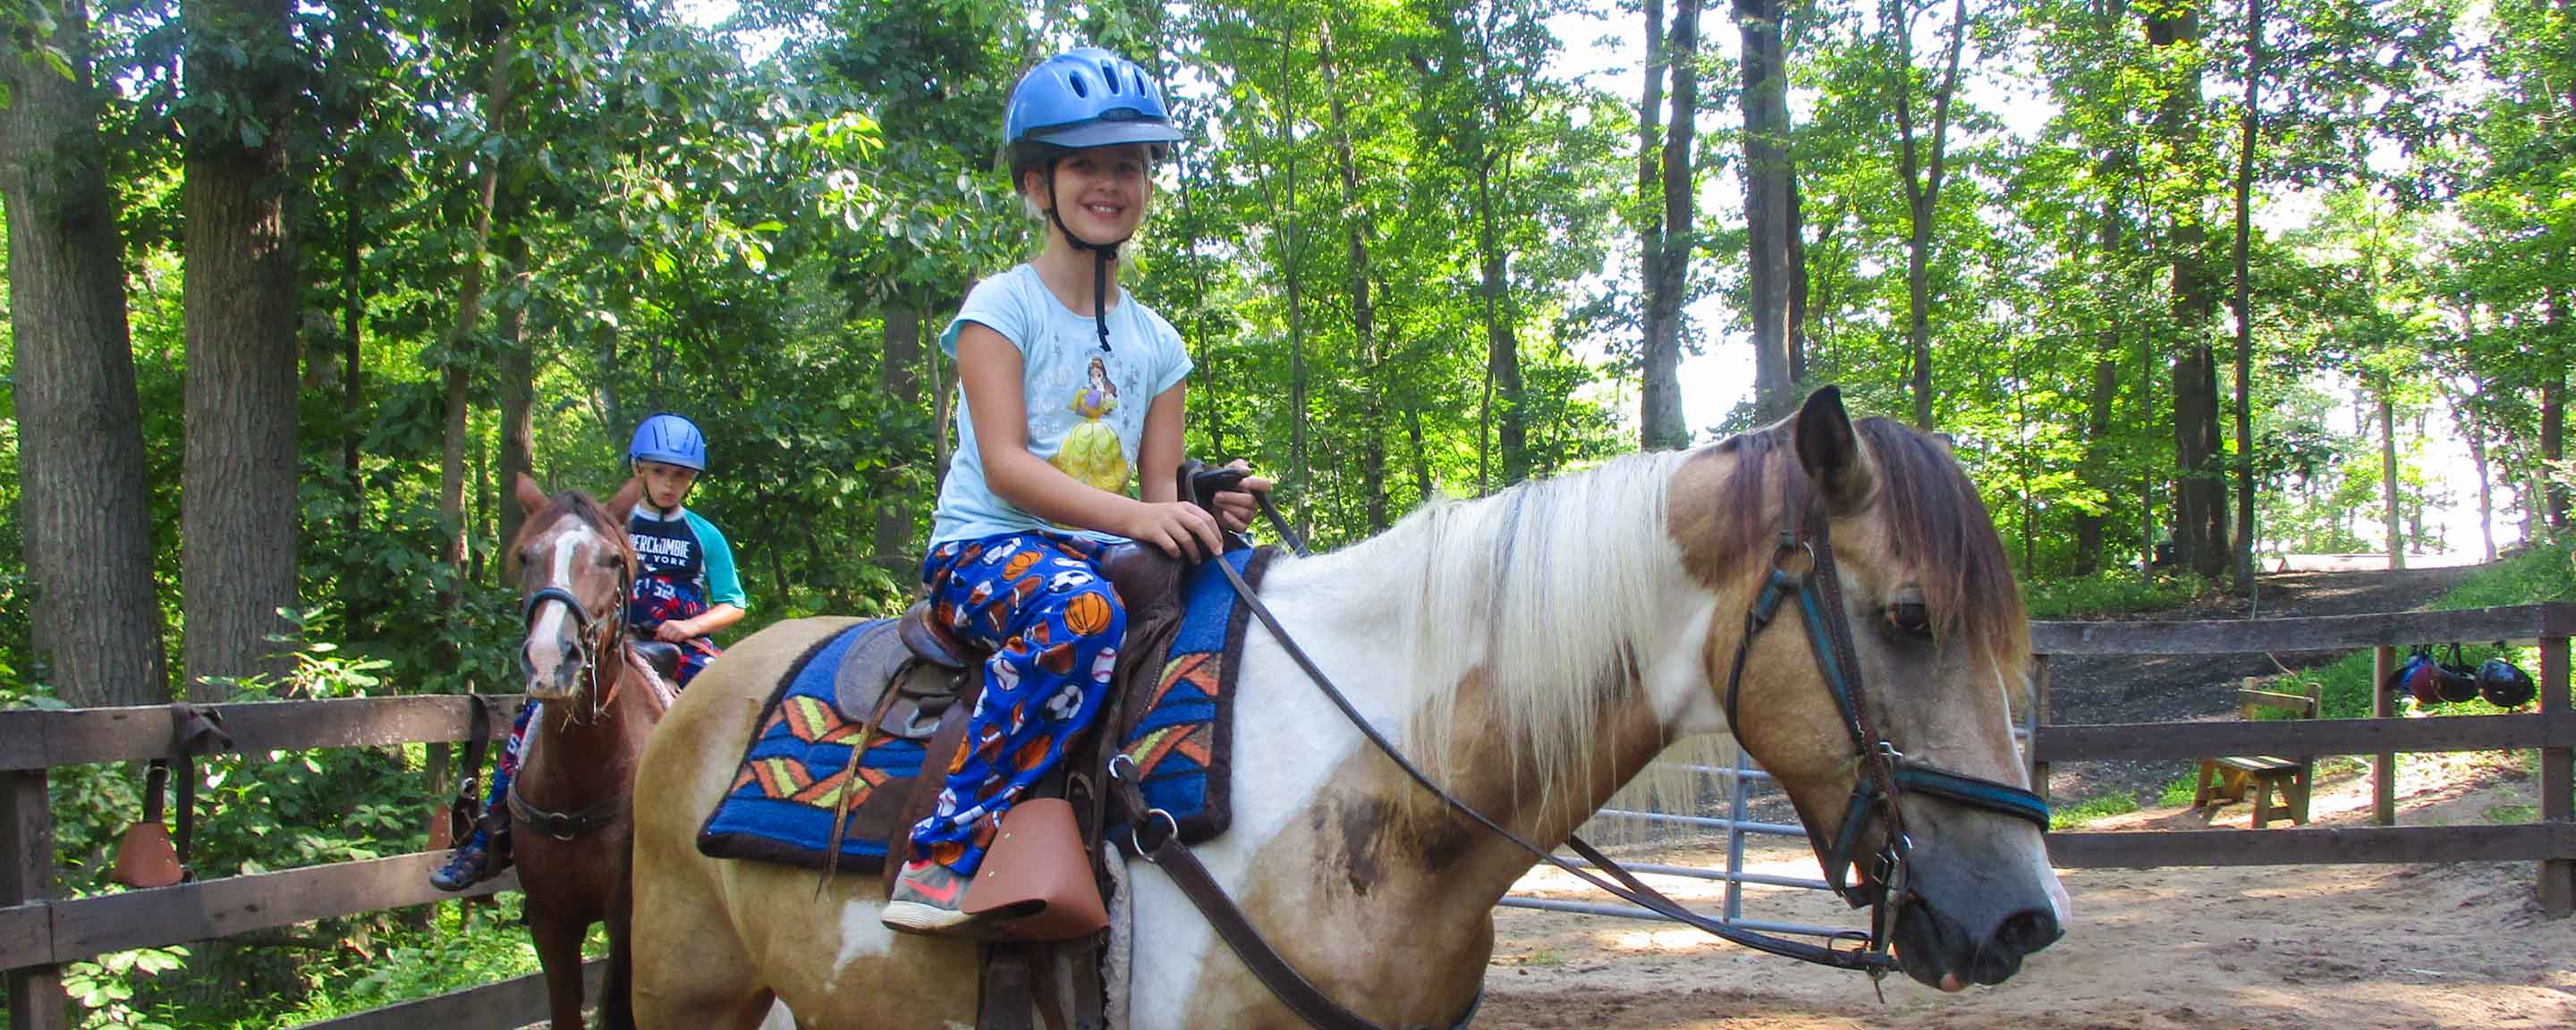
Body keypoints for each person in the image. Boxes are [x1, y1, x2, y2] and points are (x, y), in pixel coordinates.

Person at [878, 46, 1267, 935]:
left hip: (1096, 542)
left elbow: (1159, 484)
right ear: (1035, 184)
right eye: (1085, 164)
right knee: (1081, 614)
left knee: (1243, 590)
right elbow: (1009, 465)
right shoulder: (998, 308)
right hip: (985, 547)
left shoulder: (1159, 343)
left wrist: (1203, 507)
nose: (1110, 183)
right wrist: (1143, 515)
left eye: (1127, 165)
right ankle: (947, 847)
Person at [428, 412, 750, 892]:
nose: (668, 484)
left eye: (680, 475)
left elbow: (733, 603)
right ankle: (489, 835)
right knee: (532, 719)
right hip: (611, 642)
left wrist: (689, 626)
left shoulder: (705, 536)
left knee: (732, 710)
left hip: (680, 648)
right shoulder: (609, 525)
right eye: (658, 472)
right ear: (638, 469)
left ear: (692, 481)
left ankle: (733, 823)